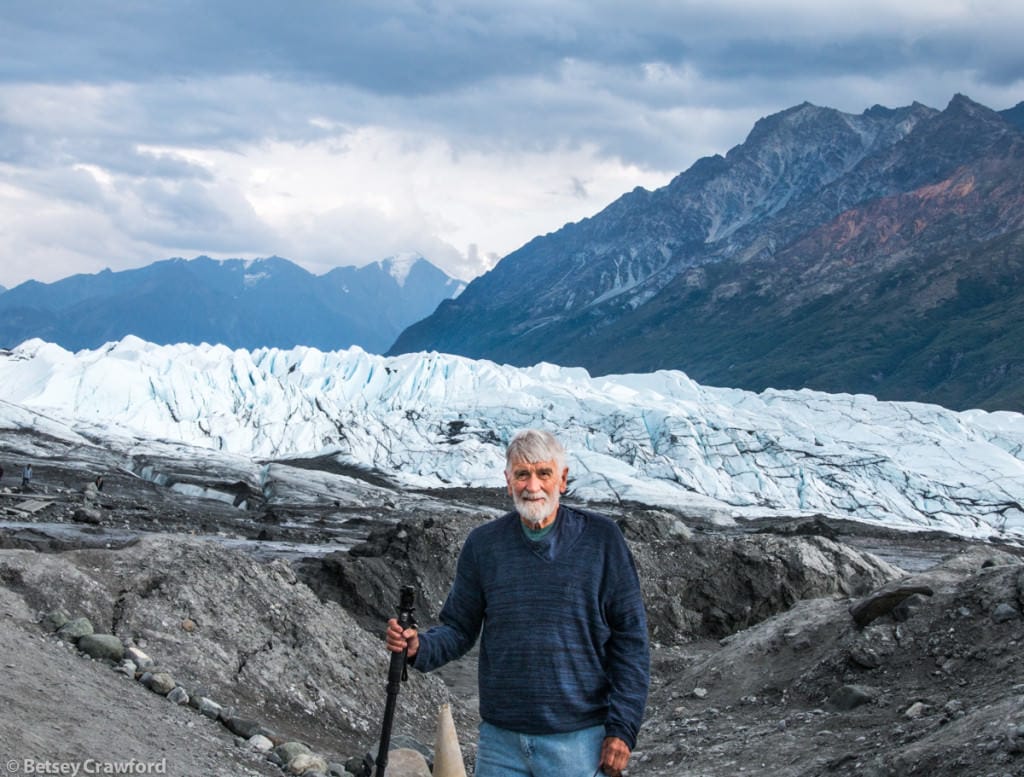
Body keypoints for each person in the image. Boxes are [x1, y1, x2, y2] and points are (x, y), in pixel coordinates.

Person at [386, 429, 649, 777]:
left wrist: (623, 728)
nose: (533, 485)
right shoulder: (484, 545)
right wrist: (418, 646)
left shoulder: (601, 541)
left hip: (578, 744)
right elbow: (460, 629)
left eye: (544, 473)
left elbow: (631, 640)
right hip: (501, 745)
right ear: (508, 481)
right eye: (522, 474)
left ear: (563, 479)